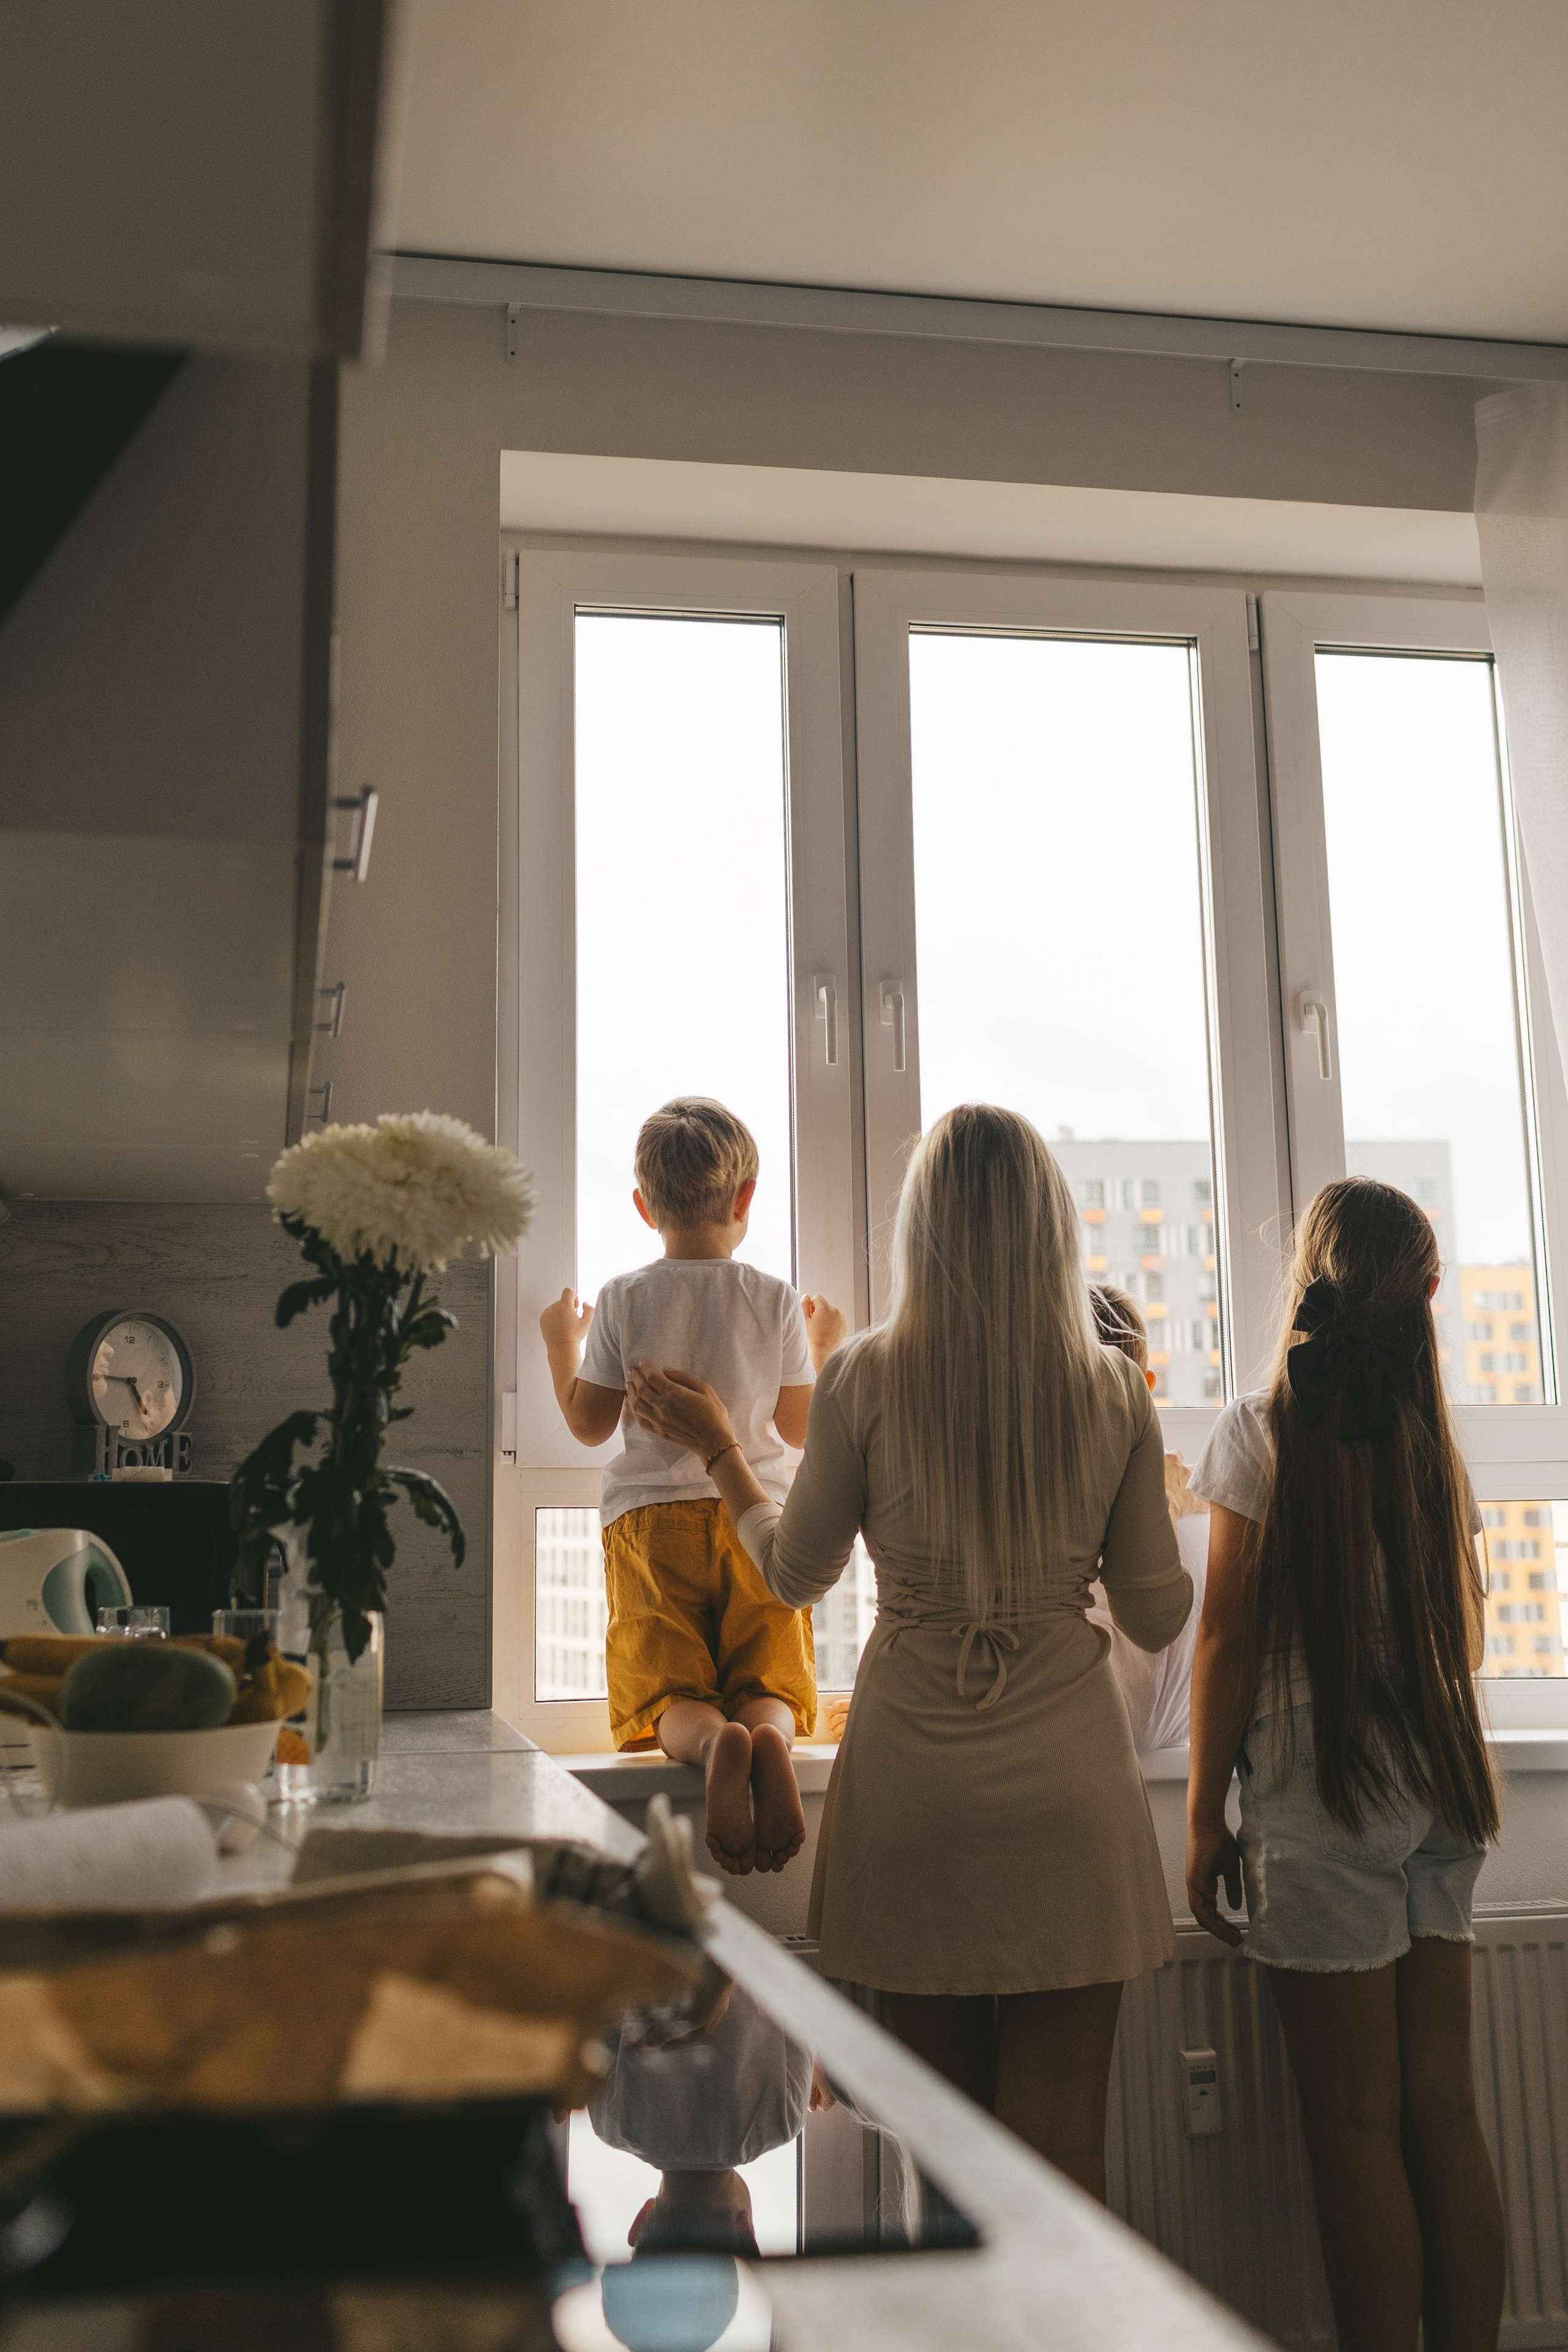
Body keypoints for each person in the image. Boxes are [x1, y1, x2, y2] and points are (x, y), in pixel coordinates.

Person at [625, 1103, 1192, 2197]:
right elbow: (1159, 1617)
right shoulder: (1112, 1387)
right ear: (1053, 1229)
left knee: (951, 2158)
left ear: (919, 1230)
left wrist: (723, 1451)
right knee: (1064, 2154)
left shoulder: (866, 1375)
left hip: (914, 1791)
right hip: (1069, 1794)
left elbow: (794, 1576)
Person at [1184, 1177, 1503, 2352]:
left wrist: (1205, 1819)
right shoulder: (1432, 1444)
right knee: (1446, 2118)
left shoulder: (1261, 1429)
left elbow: (1228, 1633)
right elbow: (1465, 1644)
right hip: (1439, 1777)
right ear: (1422, 1296)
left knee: (1355, 2130)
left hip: (1322, 1787)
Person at [540, 1096, 843, 1876]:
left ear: (644, 1208)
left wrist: (560, 1344)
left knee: (664, 1680)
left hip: (650, 1520)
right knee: (768, 1665)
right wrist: (818, 1346)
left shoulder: (626, 1297)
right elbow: (803, 1430)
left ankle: (714, 1747)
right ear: (744, 1199)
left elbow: (587, 1423)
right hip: (753, 1516)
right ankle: (768, 1733)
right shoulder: (772, 1297)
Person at [1087, 1284, 1212, 1751]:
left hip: (1082, 1733)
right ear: (1145, 1386)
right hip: (1172, 1738)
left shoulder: (1045, 1509)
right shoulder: (1190, 1502)